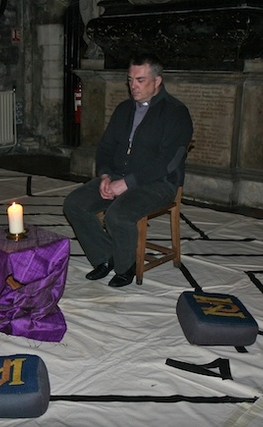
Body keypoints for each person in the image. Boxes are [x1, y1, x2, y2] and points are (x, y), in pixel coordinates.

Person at [63, 53, 193, 288]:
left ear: (157, 81)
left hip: (158, 184)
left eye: (140, 80)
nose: (133, 86)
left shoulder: (176, 113)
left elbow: (168, 162)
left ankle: (126, 267)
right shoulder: (124, 109)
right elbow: (105, 147)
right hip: (117, 177)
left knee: (118, 216)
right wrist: (104, 175)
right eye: (130, 80)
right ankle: (105, 257)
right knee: (74, 204)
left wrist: (126, 183)